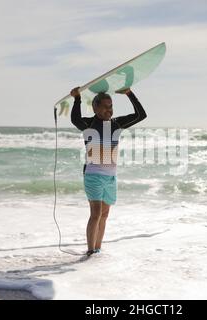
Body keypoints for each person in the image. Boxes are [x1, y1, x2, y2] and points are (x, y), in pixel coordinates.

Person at [70, 87, 147, 256]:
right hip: (93, 174)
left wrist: (129, 94)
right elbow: (75, 119)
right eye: (104, 106)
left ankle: (97, 249)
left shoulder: (116, 123)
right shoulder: (89, 124)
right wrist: (77, 99)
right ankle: (90, 250)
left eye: (110, 106)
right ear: (95, 108)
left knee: (104, 215)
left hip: (111, 177)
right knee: (95, 213)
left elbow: (141, 115)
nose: (108, 110)